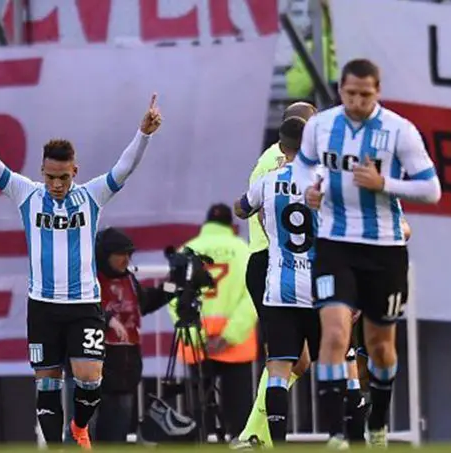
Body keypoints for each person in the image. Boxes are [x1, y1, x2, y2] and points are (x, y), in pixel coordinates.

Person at [0, 83, 161, 449]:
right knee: (46, 383)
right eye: (50, 177)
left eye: (63, 177)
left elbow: (123, 169)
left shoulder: (91, 196)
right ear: (41, 171)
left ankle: (80, 426)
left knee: (90, 378)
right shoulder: (26, 194)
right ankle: (56, 447)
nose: (56, 184)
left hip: (82, 306)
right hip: (43, 307)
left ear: (74, 172)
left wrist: (143, 133)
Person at [301, 58, 441, 448]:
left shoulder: (399, 131)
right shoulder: (320, 125)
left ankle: (377, 420)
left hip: (384, 247)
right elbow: (304, 167)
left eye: (365, 94)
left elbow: (431, 190)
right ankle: (334, 434)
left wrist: (385, 183)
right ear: (340, 90)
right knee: (333, 332)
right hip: (335, 243)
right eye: (350, 93)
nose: (357, 101)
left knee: (380, 346)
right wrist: (310, 191)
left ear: (377, 91)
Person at [233, 102, 317, 449]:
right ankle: (254, 433)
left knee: (298, 359)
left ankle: (258, 432)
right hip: (275, 260)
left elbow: (247, 206)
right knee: (288, 357)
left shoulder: (276, 161)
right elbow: (262, 216)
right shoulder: (278, 164)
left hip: (274, 260)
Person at [168, 204, 257, 441]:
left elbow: (172, 296)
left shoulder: (186, 251)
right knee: (239, 412)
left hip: (196, 345)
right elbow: (253, 297)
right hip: (235, 345)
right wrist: (229, 335)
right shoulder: (244, 250)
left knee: (198, 409)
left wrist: (198, 338)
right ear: (231, 226)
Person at [91, 227, 173, 443]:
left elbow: (146, 302)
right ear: (105, 254)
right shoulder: (88, 280)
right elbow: (78, 312)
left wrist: (175, 284)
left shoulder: (130, 281)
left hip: (125, 375)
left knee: (117, 438)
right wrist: (107, 318)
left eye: (129, 254)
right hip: (95, 374)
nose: (126, 259)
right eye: (120, 254)